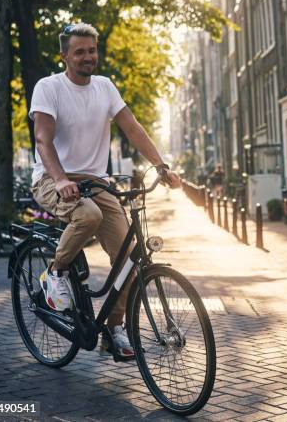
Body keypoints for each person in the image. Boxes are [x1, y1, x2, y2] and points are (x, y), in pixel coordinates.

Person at [30, 23, 180, 360]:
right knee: (89, 215)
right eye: (79, 51)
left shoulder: (105, 87)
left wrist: (161, 165)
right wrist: (61, 180)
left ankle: (114, 329)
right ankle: (54, 273)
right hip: (53, 177)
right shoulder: (48, 87)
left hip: (96, 181)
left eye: (92, 50)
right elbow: (43, 140)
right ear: (64, 55)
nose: (88, 57)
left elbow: (132, 128)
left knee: (129, 261)